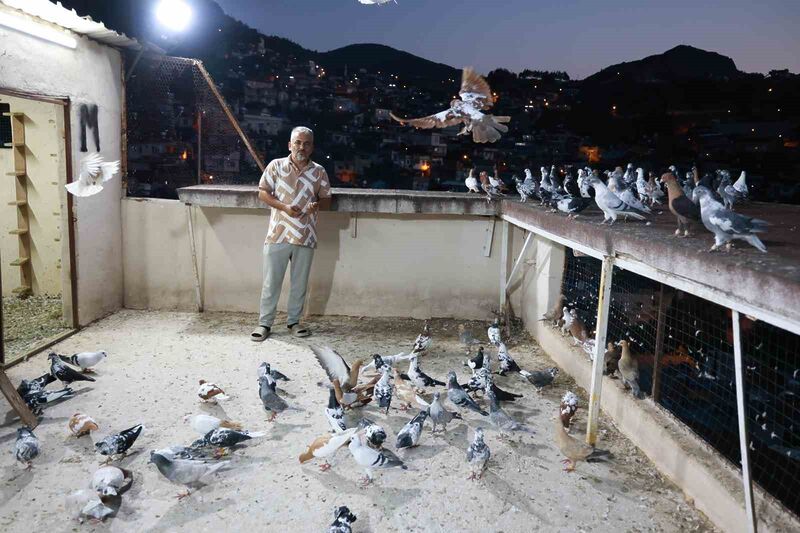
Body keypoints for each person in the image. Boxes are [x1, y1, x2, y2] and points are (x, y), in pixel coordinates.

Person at [250, 126, 331, 341]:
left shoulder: (319, 171)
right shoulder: (276, 166)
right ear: (290, 145)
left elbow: (327, 198)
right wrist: (283, 207)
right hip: (278, 233)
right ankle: (264, 323)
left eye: (306, 143)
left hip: (306, 234)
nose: (301, 147)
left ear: (312, 147)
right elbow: (262, 192)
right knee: (271, 281)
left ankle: (294, 322)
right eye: (298, 142)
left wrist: (317, 204)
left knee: (300, 283)